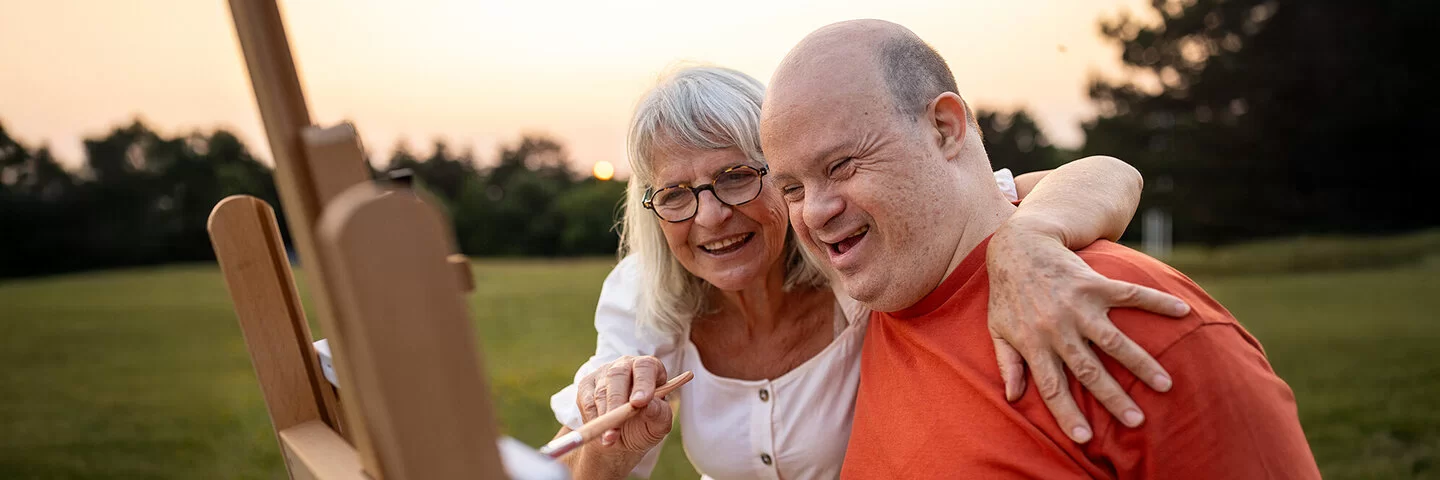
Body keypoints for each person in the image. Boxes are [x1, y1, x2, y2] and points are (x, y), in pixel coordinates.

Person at [548, 66, 1192, 480]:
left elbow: (1108, 174)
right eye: (678, 193)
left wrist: (1028, 237)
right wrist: (611, 446)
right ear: (652, 208)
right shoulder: (645, 296)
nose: (712, 216)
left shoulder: (856, 251)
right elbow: (587, 468)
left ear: (783, 171)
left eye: (736, 176)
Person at [760, 19, 1321, 479]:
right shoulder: (870, 306)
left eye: (842, 166)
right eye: (792, 189)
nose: (813, 212)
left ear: (945, 128)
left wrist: (1029, 235)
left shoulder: (1129, 321)